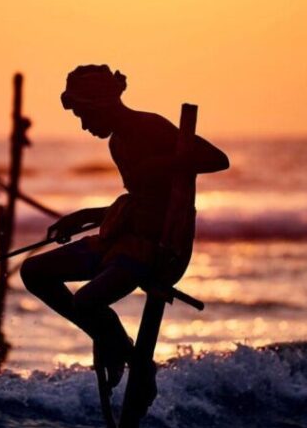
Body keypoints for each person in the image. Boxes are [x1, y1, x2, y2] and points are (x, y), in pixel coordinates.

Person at [20, 64, 229, 389]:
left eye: (84, 115)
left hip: (157, 249)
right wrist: (85, 216)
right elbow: (140, 201)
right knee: (33, 271)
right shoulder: (116, 143)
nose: (84, 125)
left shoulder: (151, 126)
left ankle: (130, 358)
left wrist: (160, 163)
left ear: (101, 105)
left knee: (85, 302)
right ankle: (114, 343)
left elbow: (217, 159)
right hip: (121, 240)